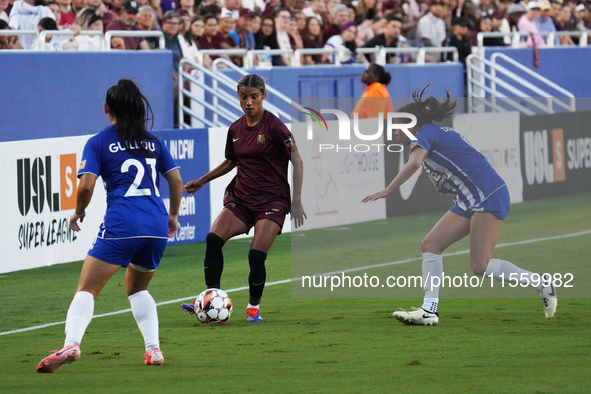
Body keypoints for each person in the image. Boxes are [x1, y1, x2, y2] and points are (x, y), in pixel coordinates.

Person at [362, 85, 557, 326]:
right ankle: (429, 310)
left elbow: (414, 164)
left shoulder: (425, 134)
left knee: (480, 265)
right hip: (471, 197)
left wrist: (388, 190)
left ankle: (541, 282)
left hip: (486, 194)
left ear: (410, 125)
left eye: (396, 126)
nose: (393, 132)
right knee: (431, 245)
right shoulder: (432, 133)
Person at [36, 79, 183, 373]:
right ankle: (153, 349)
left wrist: (78, 211)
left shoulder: (99, 142)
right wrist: (173, 216)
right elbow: (176, 180)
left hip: (122, 224)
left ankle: (72, 343)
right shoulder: (153, 141)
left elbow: (86, 185)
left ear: (106, 108)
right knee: (138, 289)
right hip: (154, 226)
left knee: (87, 289)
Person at [180, 74, 306, 323]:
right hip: (242, 198)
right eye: (243, 97)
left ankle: (253, 308)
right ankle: (210, 300)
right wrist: (201, 181)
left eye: (254, 97)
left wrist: (296, 200)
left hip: (272, 201)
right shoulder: (235, 128)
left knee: (256, 255)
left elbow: (297, 160)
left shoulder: (275, 127)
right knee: (213, 239)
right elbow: (231, 161)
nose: (248, 102)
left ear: (263, 97)